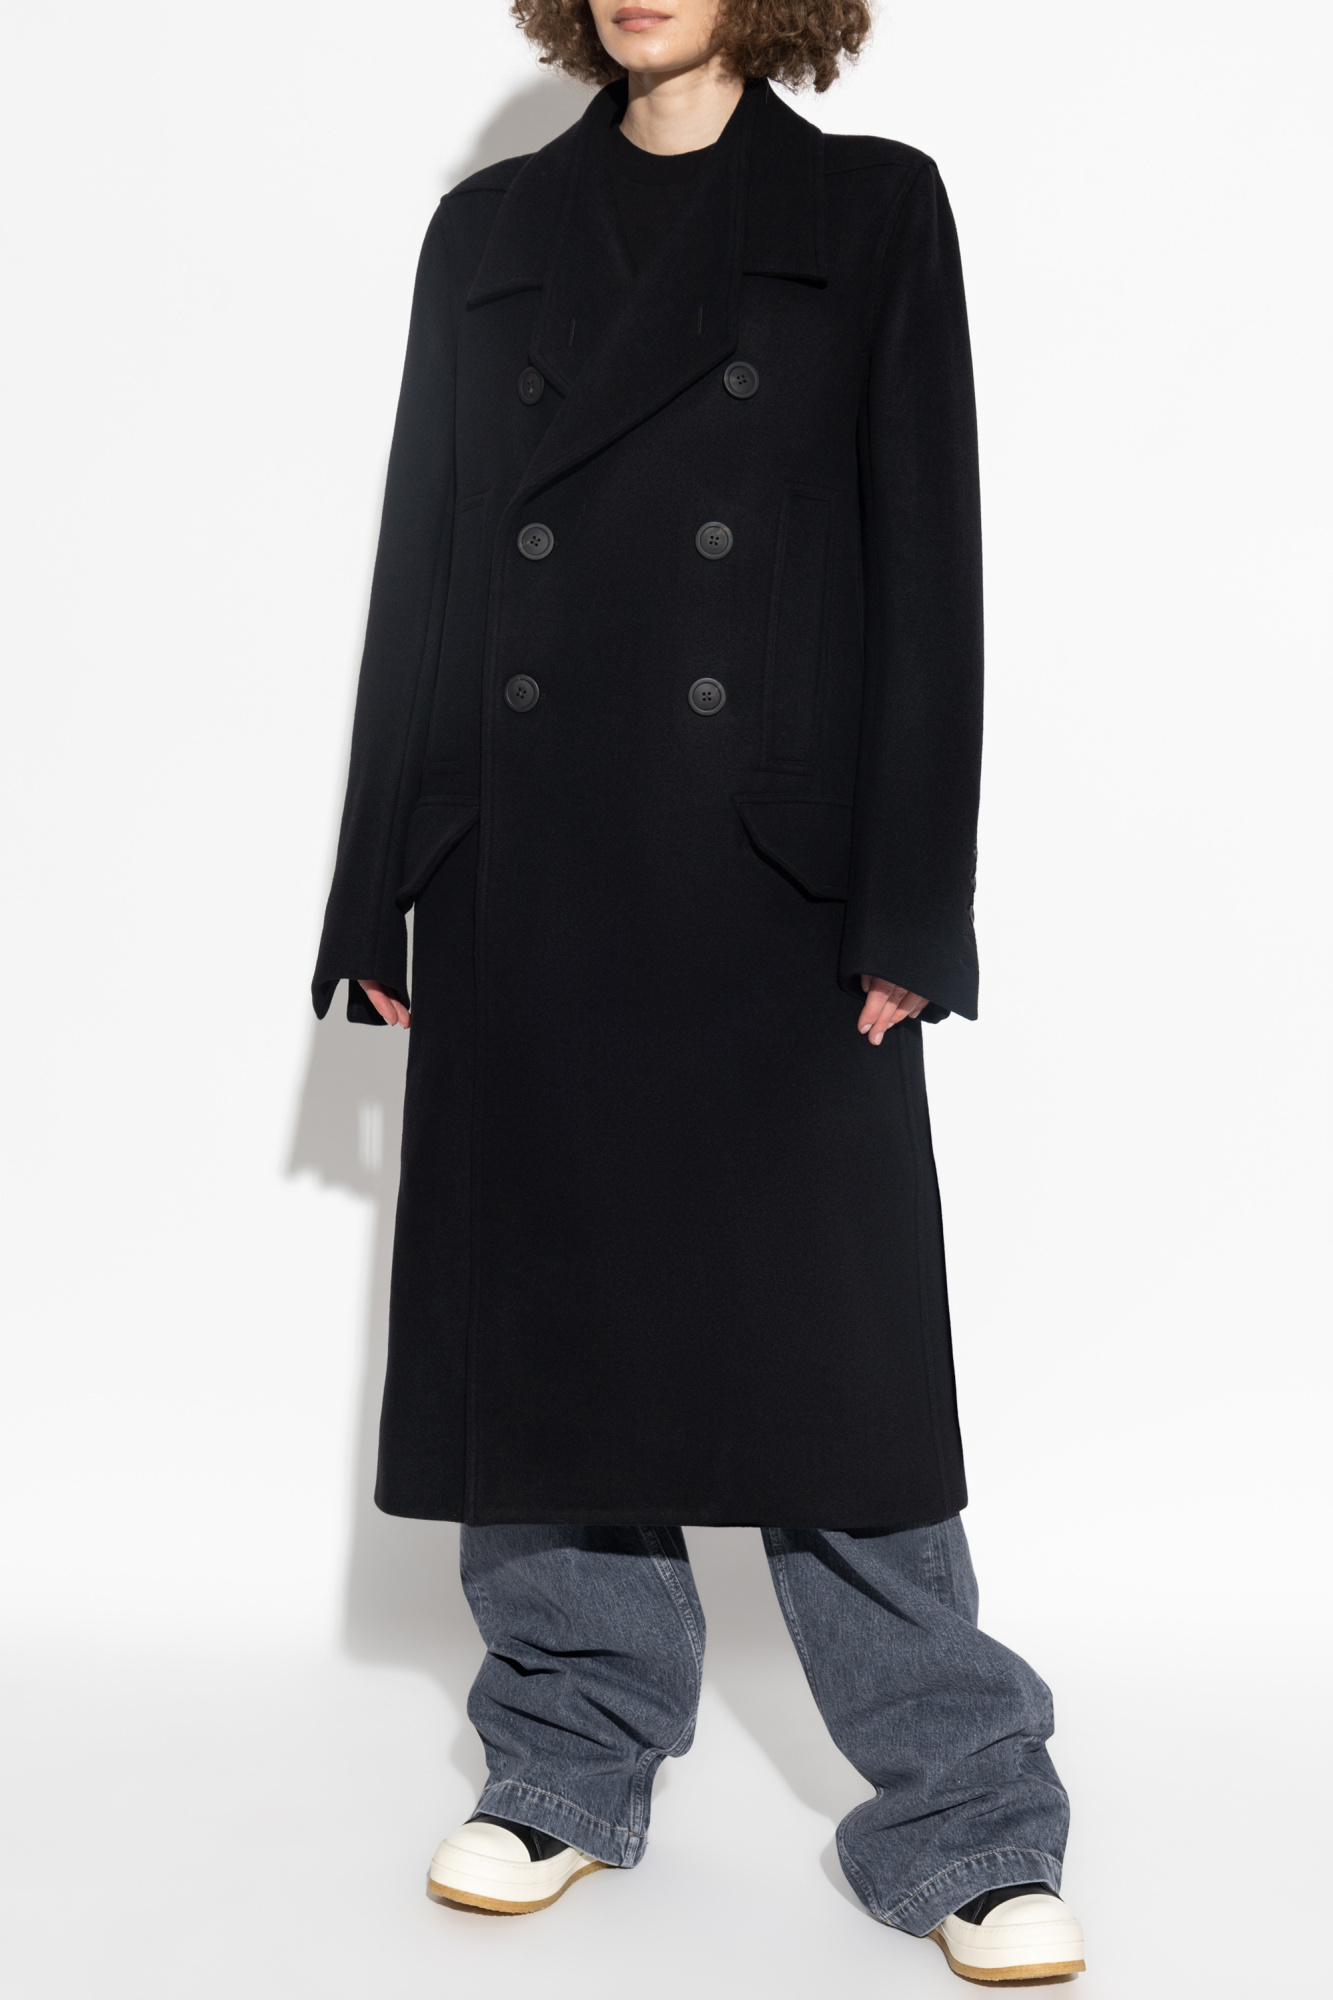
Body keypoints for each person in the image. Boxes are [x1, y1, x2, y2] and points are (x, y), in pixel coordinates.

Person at [312, 0, 1086, 1982]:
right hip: (520, 856)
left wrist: (910, 906)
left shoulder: (870, 210)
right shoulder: (489, 229)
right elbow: (425, 554)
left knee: (829, 1365)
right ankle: (565, 1753)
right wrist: (375, 880)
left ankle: (965, 1808)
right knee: (547, 1337)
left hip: (768, 869)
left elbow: (928, 572)